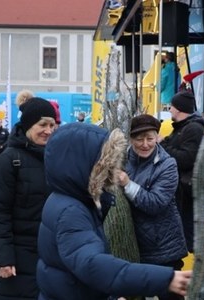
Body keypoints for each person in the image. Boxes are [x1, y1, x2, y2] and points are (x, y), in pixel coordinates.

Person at [37, 122, 192, 299]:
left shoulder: (66, 198)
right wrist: (166, 279)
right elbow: (92, 264)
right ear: (83, 164)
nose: (109, 169)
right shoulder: (71, 210)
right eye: (104, 163)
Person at [0, 97, 57, 299]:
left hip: (49, 253)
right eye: (42, 124)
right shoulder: (10, 160)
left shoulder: (55, 158)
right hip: (18, 257)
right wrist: (3, 258)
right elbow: (0, 213)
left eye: (52, 125)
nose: (48, 130)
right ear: (28, 125)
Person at [117, 114, 188, 300]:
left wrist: (127, 184)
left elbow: (156, 203)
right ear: (131, 139)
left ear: (157, 137)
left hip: (164, 249)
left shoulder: (168, 165)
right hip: (134, 247)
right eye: (139, 139)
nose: (145, 144)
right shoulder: (122, 160)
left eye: (150, 138)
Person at [160, 92, 204, 252]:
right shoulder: (184, 128)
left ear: (178, 108)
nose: (170, 110)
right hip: (183, 194)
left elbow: (187, 158)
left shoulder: (193, 129)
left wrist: (163, 146)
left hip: (188, 195)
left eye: (172, 107)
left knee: (190, 242)